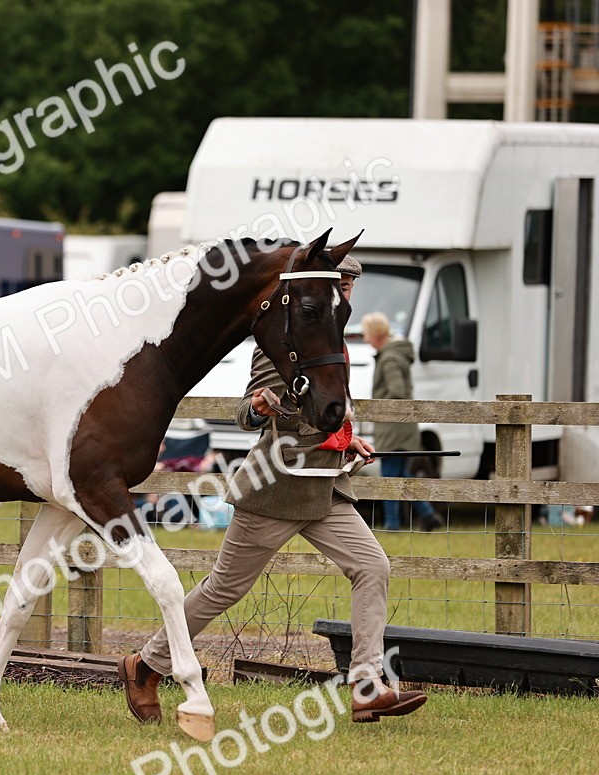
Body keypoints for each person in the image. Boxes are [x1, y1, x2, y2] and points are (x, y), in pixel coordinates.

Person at [118, 255, 428, 726]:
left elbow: (329, 415)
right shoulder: (285, 338)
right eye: (338, 284)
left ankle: (366, 684)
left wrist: (348, 442)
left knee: (372, 566)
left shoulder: (334, 340)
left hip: (325, 488)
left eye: (348, 286)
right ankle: (147, 665)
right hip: (275, 489)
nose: (343, 293)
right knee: (224, 588)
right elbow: (250, 412)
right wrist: (264, 409)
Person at [361, 312, 445, 532]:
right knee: (400, 475)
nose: (365, 339)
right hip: (401, 427)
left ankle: (392, 524)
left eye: (366, 334)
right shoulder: (395, 354)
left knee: (388, 477)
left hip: (393, 427)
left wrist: (377, 406)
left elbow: (397, 392)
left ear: (375, 334)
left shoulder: (389, 359)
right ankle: (427, 516)